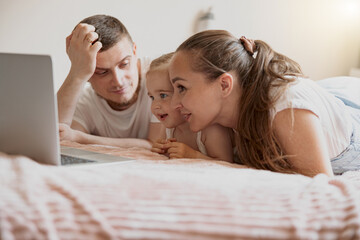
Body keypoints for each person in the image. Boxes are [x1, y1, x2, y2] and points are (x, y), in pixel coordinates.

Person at [168, 29, 360, 177]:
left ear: (224, 85)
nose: (174, 103)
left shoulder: (285, 106)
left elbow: (319, 183)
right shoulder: (221, 114)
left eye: (182, 88)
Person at [57, 15, 161, 148]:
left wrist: (80, 138)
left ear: (135, 52)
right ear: (87, 73)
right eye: (102, 72)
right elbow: (58, 138)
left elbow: (157, 145)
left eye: (124, 64)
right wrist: (76, 73)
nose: (118, 81)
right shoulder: (84, 102)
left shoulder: (160, 76)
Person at [146, 53, 233, 162]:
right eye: (152, 97)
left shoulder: (211, 128)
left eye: (163, 95)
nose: (155, 106)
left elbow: (226, 164)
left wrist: (193, 156)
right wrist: (160, 150)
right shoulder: (169, 128)